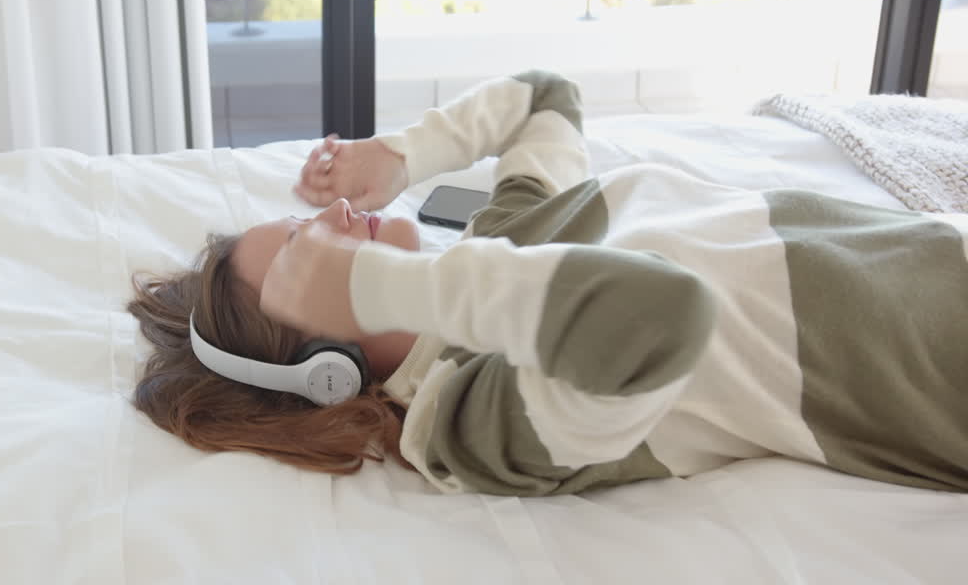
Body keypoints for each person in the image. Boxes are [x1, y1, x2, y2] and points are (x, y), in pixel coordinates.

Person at [129, 70, 968, 496]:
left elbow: (547, 99)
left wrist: (404, 155)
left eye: (309, 222)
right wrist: (381, 285)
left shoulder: (497, 243)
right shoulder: (471, 417)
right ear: (324, 375)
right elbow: (660, 315)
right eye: (303, 257)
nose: (336, 225)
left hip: (933, 251)